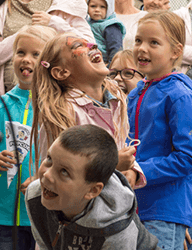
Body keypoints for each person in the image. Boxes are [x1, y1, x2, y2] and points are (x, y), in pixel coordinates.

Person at [128, 11, 192, 250]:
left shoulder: (180, 95)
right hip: (132, 208)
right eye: (138, 40)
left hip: (164, 210)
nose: (142, 48)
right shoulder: (136, 92)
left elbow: (191, 156)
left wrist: (140, 171)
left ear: (175, 52)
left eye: (154, 43)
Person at [26, 33, 146, 193]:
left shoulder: (117, 100)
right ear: (62, 72)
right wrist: (113, 164)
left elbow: (121, 146)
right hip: (77, 214)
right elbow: (56, 174)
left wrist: (132, 170)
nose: (92, 46)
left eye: (90, 43)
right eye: (78, 46)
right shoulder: (62, 113)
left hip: (111, 207)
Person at [24, 124, 160, 249]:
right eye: (49, 159)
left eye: (64, 171)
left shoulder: (115, 227)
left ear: (92, 190)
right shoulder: (35, 196)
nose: (47, 175)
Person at [0, 25, 57, 250]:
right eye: (21, 52)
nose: (26, 59)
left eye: (36, 54)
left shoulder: (57, 106)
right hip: (5, 213)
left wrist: (43, 176)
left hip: (47, 211)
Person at [0, 0, 95, 100]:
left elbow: (90, 46)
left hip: (55, 96)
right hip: (10, 97)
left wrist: (54, 23)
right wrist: (24, 34)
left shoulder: (66, 3)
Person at [87, 0, 126, 65]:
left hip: (105, 63)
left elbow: (115, 50)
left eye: (102, 7)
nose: (97, 10)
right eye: (93, 6)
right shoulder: (86, 23)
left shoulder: (110, 26)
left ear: (109, 8)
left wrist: (110, 69)